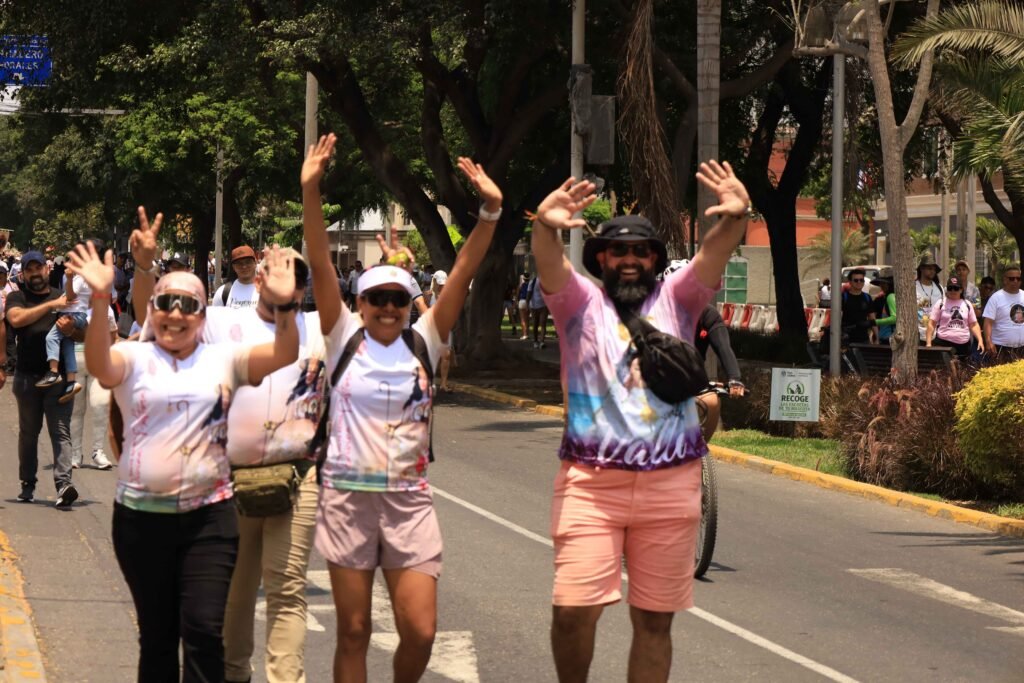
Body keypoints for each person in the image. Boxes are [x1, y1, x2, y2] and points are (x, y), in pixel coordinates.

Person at [533, 160, 752, 682]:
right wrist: (543, 225)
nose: (629, 259)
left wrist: (738, 214)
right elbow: (548, 262)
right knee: (572, 611)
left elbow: (714, 252)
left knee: (654, 622)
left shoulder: (680, 299)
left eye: (640, 251)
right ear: (601, 258)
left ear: (655, 259)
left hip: (671, 488)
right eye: (618, 251)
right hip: (591, 486)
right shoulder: (577, 302)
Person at [302, 134, 501, 682]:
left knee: (421, 631)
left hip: (409, 504)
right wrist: (311, 191)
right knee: (354, 632)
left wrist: (489, 212)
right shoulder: (342, 336)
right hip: (347, 499)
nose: (388, 308)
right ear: (359, 303)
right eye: (377, 298)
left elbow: (463, 270)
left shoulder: (425, 339)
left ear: (408, 304)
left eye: (397, 298)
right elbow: (318, 260)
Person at [68, 212, 300, 683]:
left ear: (203, 316)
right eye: (166, 303)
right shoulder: (133, 355)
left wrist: (284, 305)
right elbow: (100, 364)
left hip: (209, 520)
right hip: (140, 520)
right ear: (152, 309)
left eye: (188, 305)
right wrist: (100, 298)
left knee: (204, 632)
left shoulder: (223, 358)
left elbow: (284, 353)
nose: (175, 314)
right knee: (157, 637)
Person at [132, 228, 324, 683]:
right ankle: (235, 675)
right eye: (278, 272)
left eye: (297, 277)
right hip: (228, 480)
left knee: (287, 590)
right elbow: (152, 315)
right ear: (258, 279)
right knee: (236, 596)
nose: (289, 283)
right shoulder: (218, 322)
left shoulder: (319, 327)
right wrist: (142, 268)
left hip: (298, 478)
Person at [5, 251, 78, 507]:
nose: (35, 273)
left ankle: (64, 485)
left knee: (60, 432)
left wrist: (72, 329)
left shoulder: (63, 295)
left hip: (57, 378)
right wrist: (50, 306)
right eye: (29, 270)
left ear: (47, 270)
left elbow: (83, 332)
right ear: (23, 274)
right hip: (27, 378)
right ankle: (27, 483)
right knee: (29, 433)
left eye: (39, 268)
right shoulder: (17, 297)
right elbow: (15, 319)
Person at [36, 239, 109, 403]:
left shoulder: (80, 277)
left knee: (51, 338)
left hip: (72, 315)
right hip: (77, 314)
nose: (69, 261)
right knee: (68, 346)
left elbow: (70, 296)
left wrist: (69, 279)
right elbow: (88, 301)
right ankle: (71, 381)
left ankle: (53, 372)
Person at [69, 300, 117, 470]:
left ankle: (98, 451)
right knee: (76, 410)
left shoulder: (105, 308)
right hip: (74, 362)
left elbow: (113, 334)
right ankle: (75, 453)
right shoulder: (70, 305)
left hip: (98, 363)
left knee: (100, 405)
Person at [926, 276, 984, 362]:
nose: (953, 291)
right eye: (950, 288)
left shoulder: (967, 304)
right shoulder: (940, 303)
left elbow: (974, 324)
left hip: (963, 346)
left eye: (956, 288)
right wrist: (928, 343)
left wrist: (980, 340)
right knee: (943, 368)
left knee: (962, 369)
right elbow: (931, 323)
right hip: (943, 343)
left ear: (961, 290)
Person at [981, 264, 1024, 363]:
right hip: (1001, 348)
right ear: (1005, 280)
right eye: (1011, 279)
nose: (1015, 281)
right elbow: (988, 322)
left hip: (1022, 348)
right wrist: (988, 341)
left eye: (1018, 279)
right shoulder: (996, 297)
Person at [841, 268, 876, 344]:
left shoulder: (867, 297)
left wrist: (877, 338)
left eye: (861, 280)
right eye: (856, 280)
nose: (859, 282)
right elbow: (837, 319)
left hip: (864, 340)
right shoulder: (843, 297)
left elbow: (872, 319)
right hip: (846, 340)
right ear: (850, 282)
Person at [915, 254, 944, 341]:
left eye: (934, 269)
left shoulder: (939, 288)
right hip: (917, 335)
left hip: (936, 336)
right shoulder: (913, 287)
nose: (932, 271)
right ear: (921, 268)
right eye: (929, 268)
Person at [871, 275, 897, 343]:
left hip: (889, 337)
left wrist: (873, 322)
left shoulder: (891, 297)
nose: (882, 285)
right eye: (881, 283)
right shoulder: (879, 299)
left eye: (884, 283)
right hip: (884, 336)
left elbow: (894, 318)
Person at [527, 274, 549, 348]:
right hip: (534, 306)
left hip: (544, 306)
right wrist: (527, 304)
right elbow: (529, 294)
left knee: (543, 323)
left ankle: (542, 342)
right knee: (535, 324)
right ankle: (535, 341)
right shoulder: (533, 282)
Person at [517, 274, 531, 341]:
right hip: (529, 302)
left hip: (522, 301)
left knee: (523, 319)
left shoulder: (521, 285)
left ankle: (524, 334)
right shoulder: (530, 285)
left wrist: (516, 302)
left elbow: (517, 294)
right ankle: (527, 334)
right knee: (527, 318)